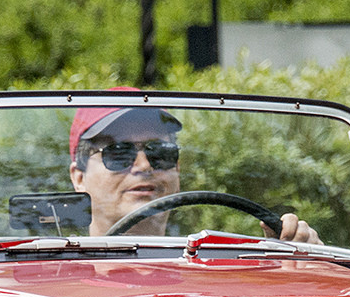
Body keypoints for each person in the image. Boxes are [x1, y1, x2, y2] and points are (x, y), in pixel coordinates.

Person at [67, 103, 320, 243]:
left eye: (160, 152)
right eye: (118, 153)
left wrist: (299, 260)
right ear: (79, 177)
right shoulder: (57, 285)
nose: (144, 166)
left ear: (176, 168)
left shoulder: (215, 273)